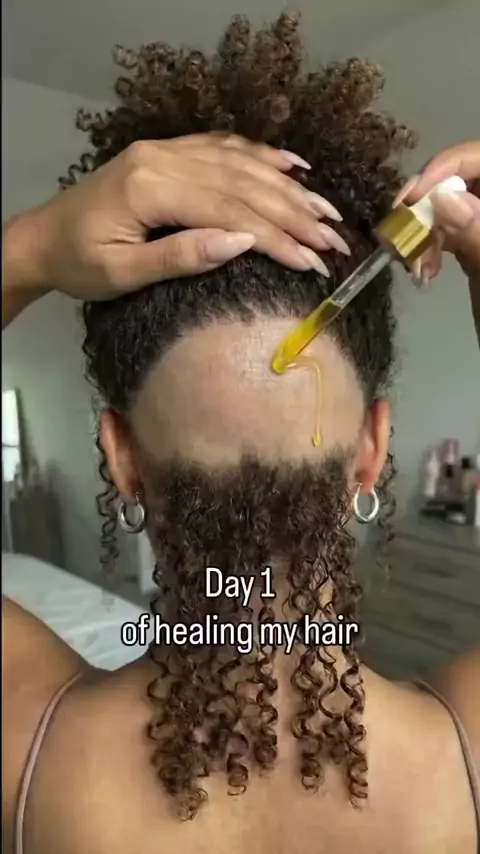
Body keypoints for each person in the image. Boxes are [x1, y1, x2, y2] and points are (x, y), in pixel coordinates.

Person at [2, 12, 479, 854]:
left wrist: (29, 249)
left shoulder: (27, 747)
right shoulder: (465, 760)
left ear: (119, 457)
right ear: (372, 449)